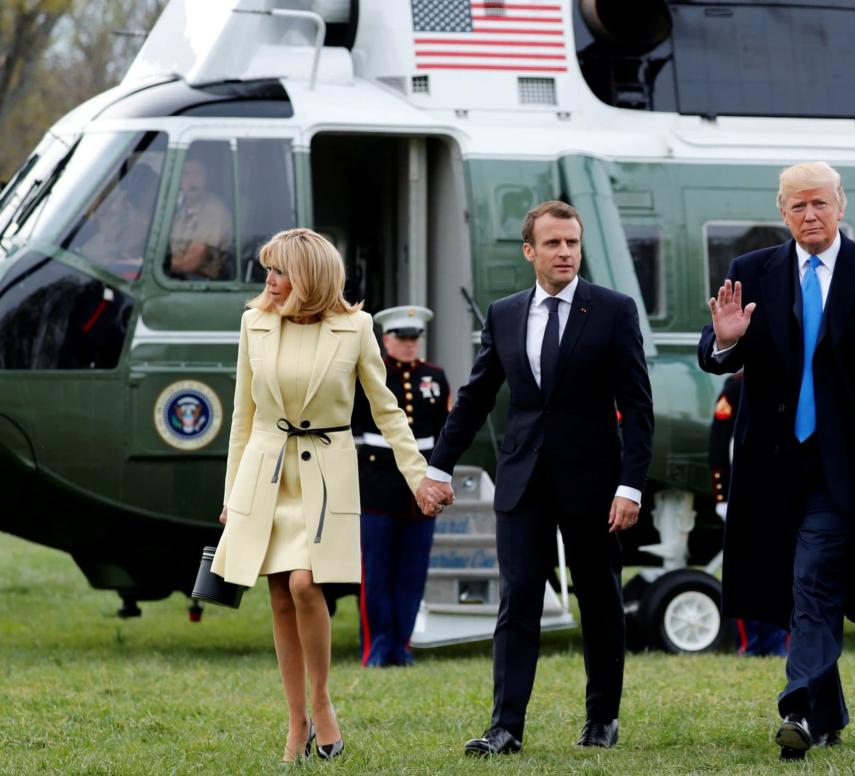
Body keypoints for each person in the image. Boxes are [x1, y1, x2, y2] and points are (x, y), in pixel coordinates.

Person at [698, 162, 855, 761]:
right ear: (781, 212)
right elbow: (713, 352)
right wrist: (728, 340)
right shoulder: (751, 271)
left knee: (813, 576)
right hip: (771, 463)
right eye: (796, 207)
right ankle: (831, 710)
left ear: (840, 206)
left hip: (849, 464)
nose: (809, 216)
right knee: (797, 585)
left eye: (819, 204)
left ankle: (799, 709)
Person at [415, 200, 653, 757]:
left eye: (572, 242)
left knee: (599, 600)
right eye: (553, 243)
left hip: (596, 485)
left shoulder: (614, 310)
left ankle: (602, 720)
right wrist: (437, 467)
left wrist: (631, 484)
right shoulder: (503, 313)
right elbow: (475, 398)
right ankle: (505, 728)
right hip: (523, 479)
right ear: (530, 251)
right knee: (518, 597)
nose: (565, 251)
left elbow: (637, 406)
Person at [211, 228, 428, 762]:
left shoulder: (355, 327)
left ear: (309, 276)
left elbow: (385, 409)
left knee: (308, 585)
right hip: (266, 474)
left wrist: (418, 475)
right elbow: (243, 416)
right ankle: (296, 723)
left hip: (326, 475)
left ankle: (323, 701)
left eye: (280, 270)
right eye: (269, 270)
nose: (270, 280)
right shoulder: (254, 322)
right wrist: (231, 494)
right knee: (280, 593)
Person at [354, 305, 450, 667]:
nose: (410, 345)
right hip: (378, 486)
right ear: (386, 339)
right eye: (402, 338)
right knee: (375, 572)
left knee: (412, 572)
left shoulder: (435, 377)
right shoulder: (368, 375)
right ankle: (376, 646)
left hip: (421, 488)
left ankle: (402, 645)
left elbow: (443, 431)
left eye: (415, 338)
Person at [709, 372, 789, 657]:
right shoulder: (736, 386)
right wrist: (723, 498)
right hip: (744, 491)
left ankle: (779, 643)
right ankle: (750, 643)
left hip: (782, 489)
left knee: (781, 571)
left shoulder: (793, 376)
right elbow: (719, 442)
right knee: (746, 572)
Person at [166, 156, 233, 279]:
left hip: (201, 282)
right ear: (179, 180)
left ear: (206, 178)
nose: (192, 181)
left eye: (198, 174)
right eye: (186, 174)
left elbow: (191, 262)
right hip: (177, 277)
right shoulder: (179, 209)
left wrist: (159, 265)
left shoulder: (214, 210)